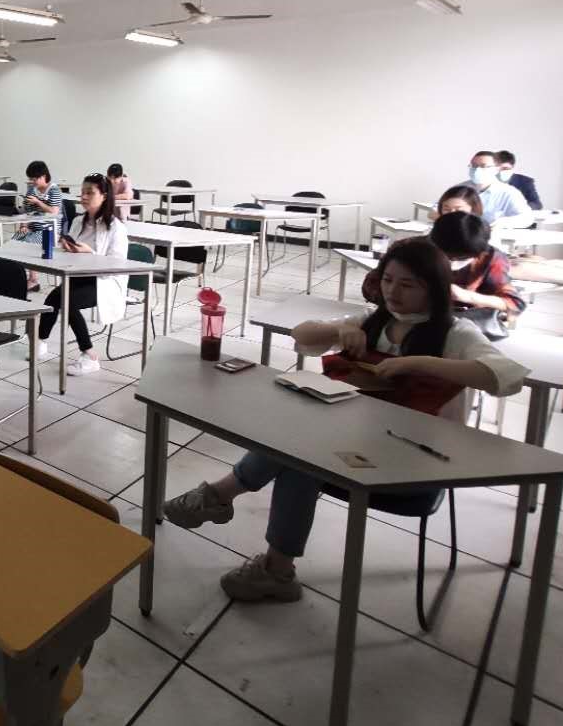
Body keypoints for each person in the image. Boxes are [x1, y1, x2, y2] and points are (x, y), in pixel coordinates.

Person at [162, 236, 526, 602]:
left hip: (416, 461)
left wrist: (421, 363)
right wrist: (339, 331)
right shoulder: (375, 321)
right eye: (388, 280)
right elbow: (303, 335)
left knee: (302, 450)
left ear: (434, 288)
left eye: (407, 284)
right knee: (301, 454)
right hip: (357, 446)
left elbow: (507, 376)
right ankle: (276, 570)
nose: (393, 292)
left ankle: (222, 498)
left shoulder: (455, 334)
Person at [34, 173, 130, 376]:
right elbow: (74, 253)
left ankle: (90, 355)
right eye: (82, 192)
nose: (84, 197)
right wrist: (67, 247)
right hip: (79, 276)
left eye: (90, 193)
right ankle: (40, 342)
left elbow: (117, 266)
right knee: (52, 298)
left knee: (67, 301)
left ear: (104, 196)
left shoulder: (116, 228)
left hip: (105, 282)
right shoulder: (79, 221)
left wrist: (90, 253)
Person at [365, 211, 525, 324]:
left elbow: (514, 303)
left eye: (460, 258)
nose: (450, 263)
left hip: (461, 324)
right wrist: (406, 297)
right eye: (443, 256)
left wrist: (466, 296)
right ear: (431, 241)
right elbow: (370, 286)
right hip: (403, 320)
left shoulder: (490, 258)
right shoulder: (408, 249)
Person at [13, 159, 64, 291]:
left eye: (35, 179)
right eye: (31, 179)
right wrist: (24, 226)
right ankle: (17, 277)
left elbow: (54, 211)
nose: (32, 181)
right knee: (13, 243)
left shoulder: (54, 190)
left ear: (43, 176)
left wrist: (38, 202)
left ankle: (33, 280)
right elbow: (27, 212)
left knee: (28, 245)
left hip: (49, 231)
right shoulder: (31, 190)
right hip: (32, 228)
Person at [456, 151, 532, 227]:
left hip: (496, 232)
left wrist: (502, 223)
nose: (477, 170)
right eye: (474, 166)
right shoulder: (458, 189)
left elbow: (526, 218)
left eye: (483, 166)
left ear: (496, 169)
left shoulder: (509, 192)